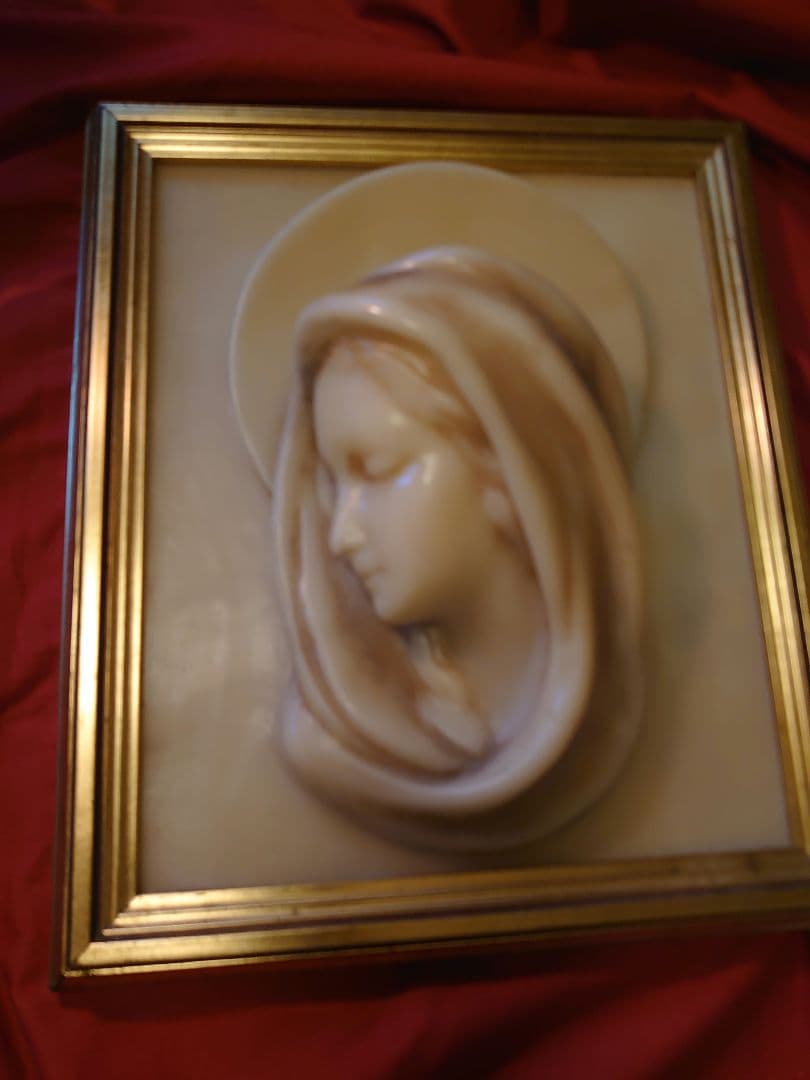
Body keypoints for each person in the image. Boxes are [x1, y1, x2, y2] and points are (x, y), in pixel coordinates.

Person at [271, 246, 643, 850]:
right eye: (334, 486)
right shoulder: (334, 747)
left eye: (377, 469)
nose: (341, 534)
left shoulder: (609, 709)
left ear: (510, 468)